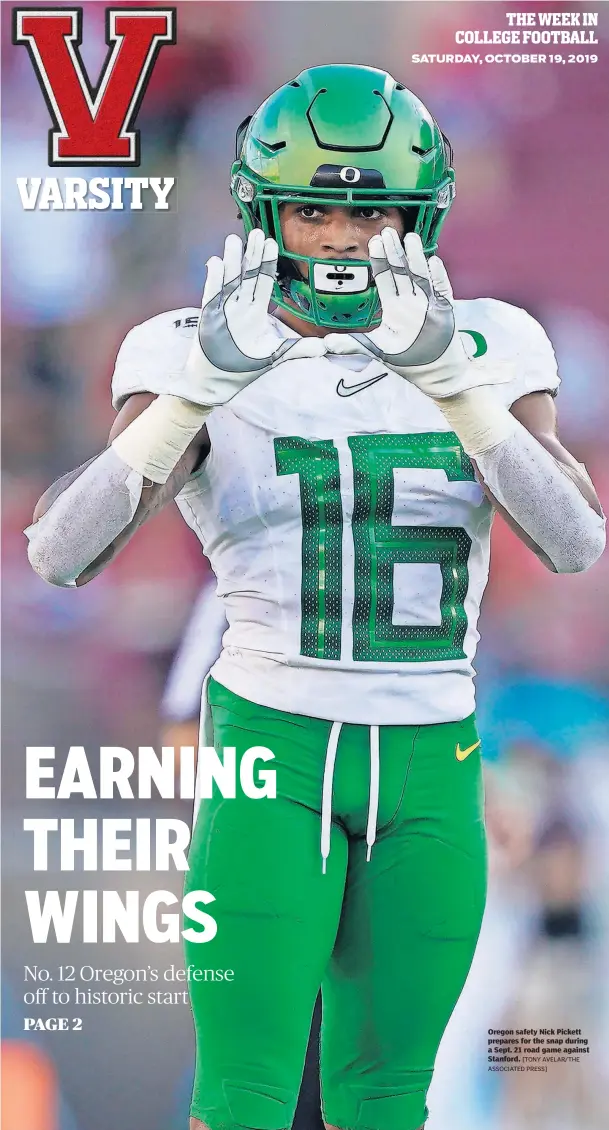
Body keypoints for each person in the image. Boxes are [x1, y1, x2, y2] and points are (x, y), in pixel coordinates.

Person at [25, 65, 605, 1130]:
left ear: (417, 214)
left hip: (433, 754)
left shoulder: (492, 341)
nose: (341, 233)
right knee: (241, 1094)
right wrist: (190, 396)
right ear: (263, 209)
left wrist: (459, 391)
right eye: (315, 205)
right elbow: (60, 553)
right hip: (268, 746)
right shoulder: (187, 344)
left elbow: (573, 543)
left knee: (387, 1098)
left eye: (370, 208)